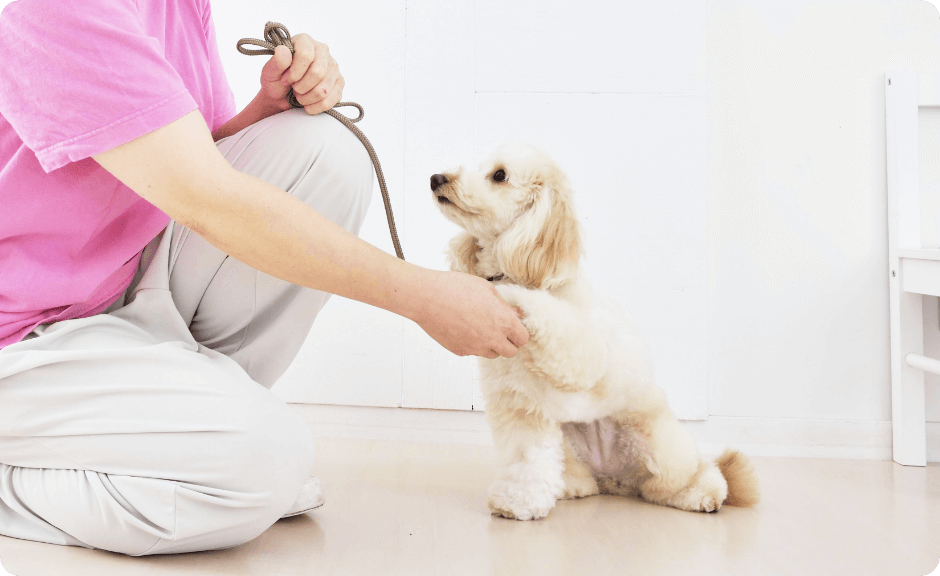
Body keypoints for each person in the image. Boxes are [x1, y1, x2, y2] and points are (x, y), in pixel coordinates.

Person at [0, 0, 528, 556]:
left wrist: (265, 110)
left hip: (113, 283)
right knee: (265, 463)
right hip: (18, 333)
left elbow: (188, 156)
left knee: (322, 151)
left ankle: (186, 436)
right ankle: (200, 460)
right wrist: (423, 296)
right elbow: (206, 198)